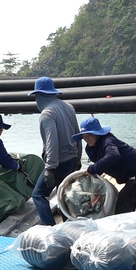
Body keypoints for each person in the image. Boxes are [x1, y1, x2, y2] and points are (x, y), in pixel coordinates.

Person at [72, 117, 136, 214]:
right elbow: (102, 164)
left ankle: (125, 225)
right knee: (126, 198)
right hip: (128, 175)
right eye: (84, 137)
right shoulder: (90, 149)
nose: (86, 139)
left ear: (97, 134)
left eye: (89, 135)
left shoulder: (107, 141)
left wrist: (93, 168)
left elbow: (113, 155)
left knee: (124, 199)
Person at [28, 76, 82, 225]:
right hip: (71, 160)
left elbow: (52, 142)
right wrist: (77, 160)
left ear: (39, 95)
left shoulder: (47, 114)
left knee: (38, 195)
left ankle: (50, 229)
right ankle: (70, 227)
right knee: (63, 196)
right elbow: (78, 135)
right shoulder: (69, 107)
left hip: (58, 162)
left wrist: (49, 168)